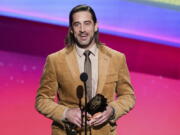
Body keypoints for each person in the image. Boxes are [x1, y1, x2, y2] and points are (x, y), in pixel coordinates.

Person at [35, 4, 135, 135]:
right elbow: (42, 100)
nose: (82, 29)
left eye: (87, 23)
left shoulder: (116, 58)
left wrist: (112, 110)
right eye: (77, 24)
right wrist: (66, 113)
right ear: (71, 29)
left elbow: (128, 96)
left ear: (95, 26)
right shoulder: (55, 60)